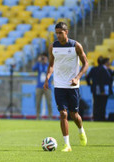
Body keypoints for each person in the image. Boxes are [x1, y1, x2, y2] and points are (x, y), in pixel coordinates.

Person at [44, 22, 88, 152]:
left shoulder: (75, 46)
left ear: (66, 32)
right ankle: (67, 144)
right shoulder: (53, 46)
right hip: (59, 85)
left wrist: (77, 78)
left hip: (73, 86)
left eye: (60, 33)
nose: (58, 35)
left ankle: (81, 131)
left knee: (74, 115)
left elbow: (86, 64)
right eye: (56, 33)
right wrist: (47, 78)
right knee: (63, 113)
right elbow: (51, 64)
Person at [32, 54, 53, 120]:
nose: (44, 60)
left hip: (47, 86)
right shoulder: (39, 65)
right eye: (43, 58)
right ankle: (38, 116)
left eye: (45, 58)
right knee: (38, 102)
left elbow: (52, 73)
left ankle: (50, 116)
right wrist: (38, 61)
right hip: (39, 86)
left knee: (49, 102)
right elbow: (33, 68)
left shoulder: (49, 65)